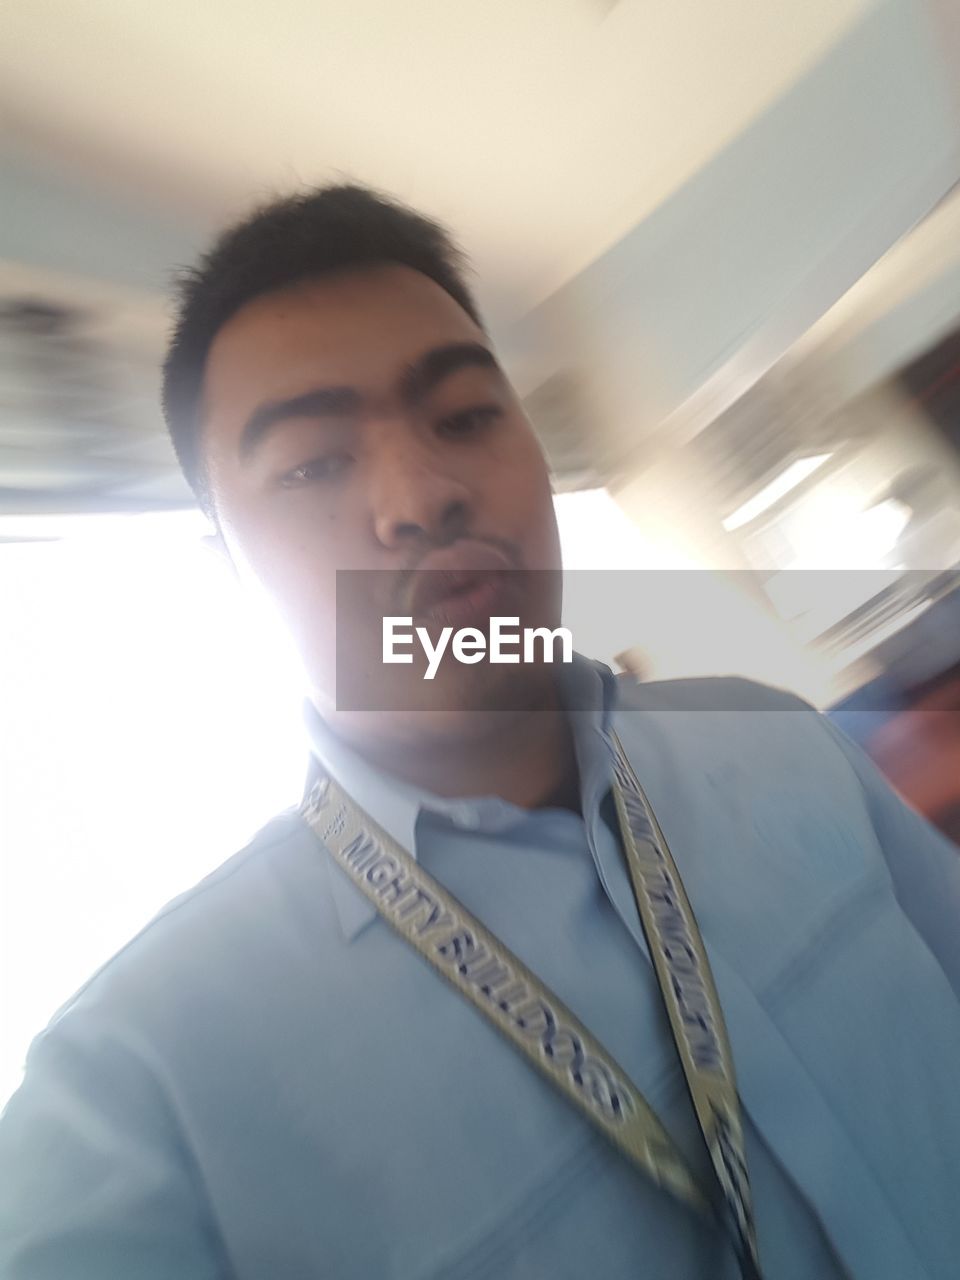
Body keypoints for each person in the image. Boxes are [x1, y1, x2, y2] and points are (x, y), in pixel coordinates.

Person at [1, 184, 959, 1280]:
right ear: (230, 568)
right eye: (315, 461)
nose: (419, 494)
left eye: (462, 416)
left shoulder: (779, 738)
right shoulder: (143, 1088)